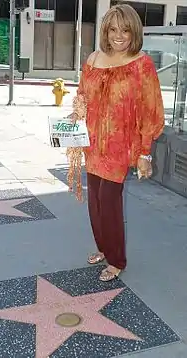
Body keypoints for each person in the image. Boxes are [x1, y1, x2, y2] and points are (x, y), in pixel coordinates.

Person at [67, 4, 164, 282]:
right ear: (105, 32)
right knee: (95, 201)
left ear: (134, 32)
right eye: (112, 30)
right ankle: (102, 247)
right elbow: (83, 94)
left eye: (125, 30)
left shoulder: (142, 64)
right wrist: (77, 111)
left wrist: (145, 151)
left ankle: (117, 259)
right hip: (93, 142)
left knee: (109, 201)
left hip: (120, 145)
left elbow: (151, 109)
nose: (119, 36)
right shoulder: (94, 59)